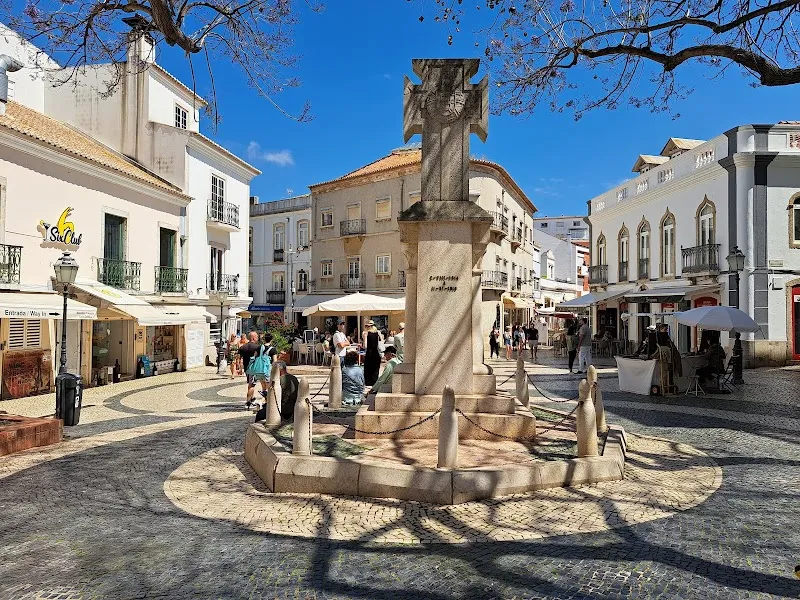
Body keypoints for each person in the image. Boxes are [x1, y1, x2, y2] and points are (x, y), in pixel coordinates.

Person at [239, 331, 269, 409]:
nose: (257, 338)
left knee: (253, 383)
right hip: (255, 369)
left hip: (247, 369)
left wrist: (239, 368)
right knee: (252, 385)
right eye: (256, 337)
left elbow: (239, 358)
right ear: (253, 338)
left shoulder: (243, 347)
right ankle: (248, 402)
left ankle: (253, 400)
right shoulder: (257, 347)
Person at [362, 320, 383, 386]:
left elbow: (365, 346)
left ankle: (368, 383)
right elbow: (381, 341)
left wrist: (364, 340)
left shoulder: (365, 333)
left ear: (368, 326)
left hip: (369, 353)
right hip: (376, 353)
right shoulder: (378, 332)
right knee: (375, 369)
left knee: (368, 369)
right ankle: (375, 382)